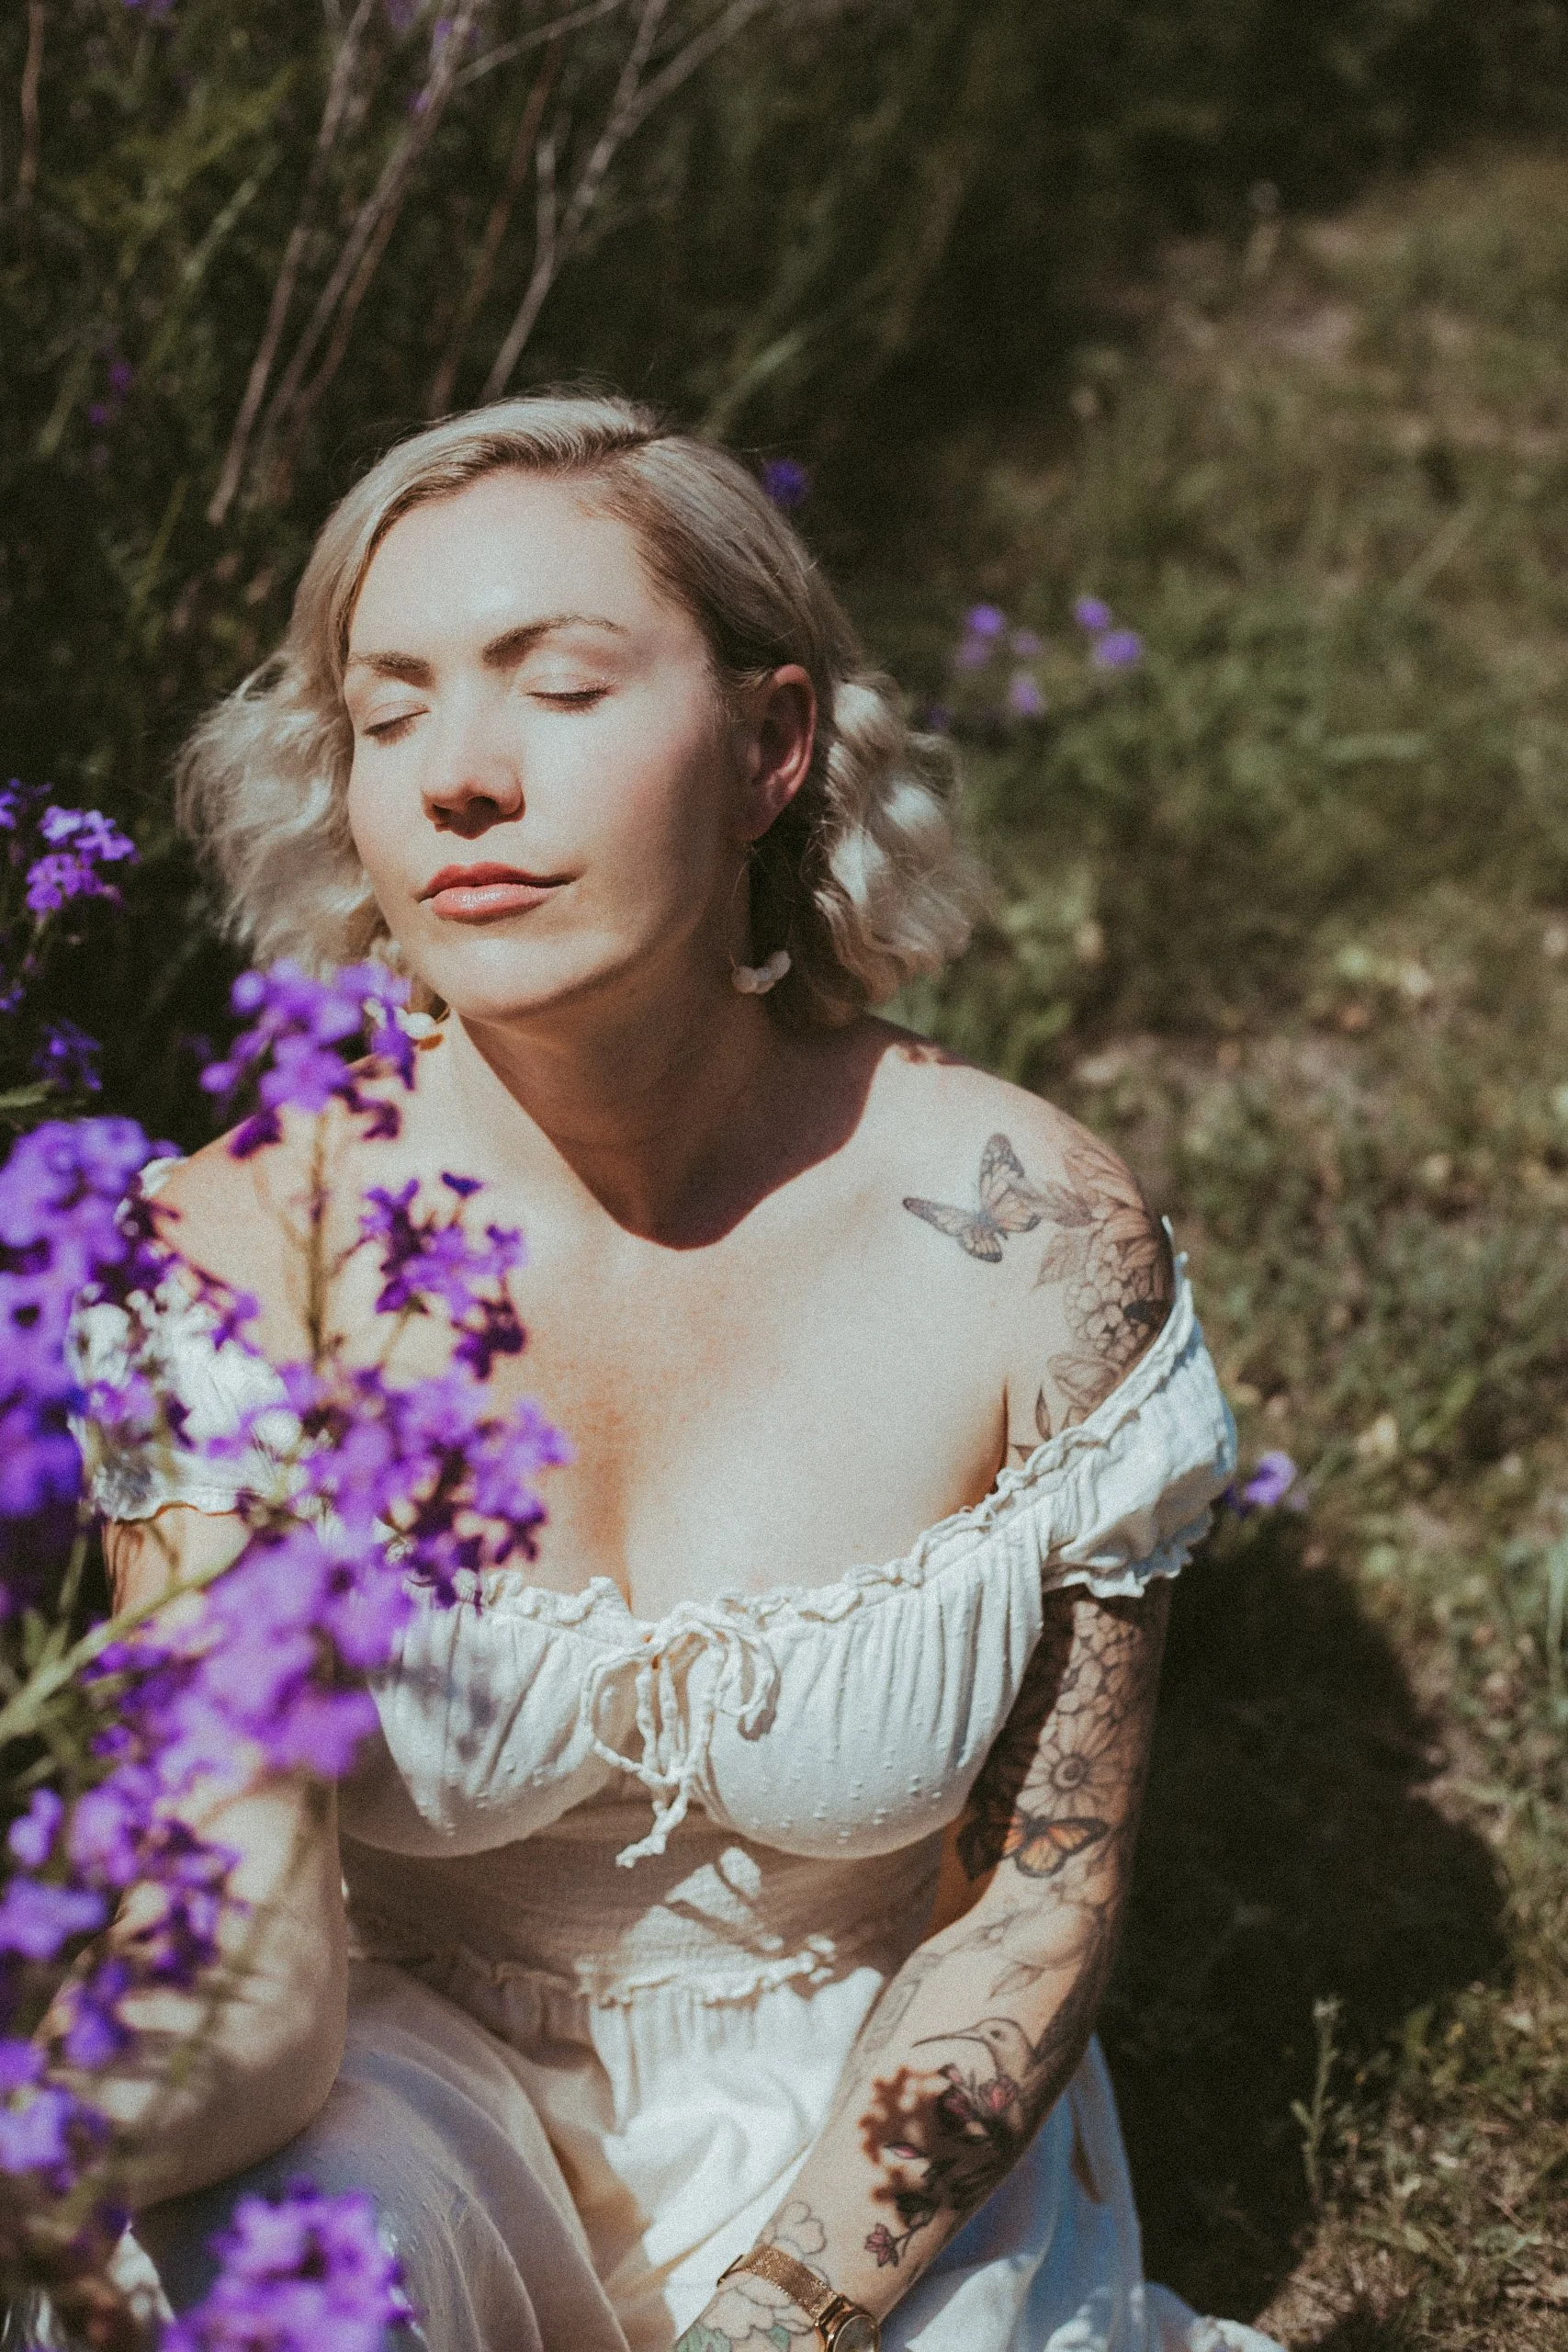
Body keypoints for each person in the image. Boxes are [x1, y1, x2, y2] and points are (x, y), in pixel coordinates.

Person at [77, 395, 1279, 2352]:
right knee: (267, 2280)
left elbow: (1033, 1900)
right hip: (403, 2096)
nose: (460, 776)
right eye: (386, 716)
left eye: (557, 686)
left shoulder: (1024, 1234)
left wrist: (790, 2314)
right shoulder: (235, 1253)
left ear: (768, 747)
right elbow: (254, 1952)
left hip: (877, 2138)